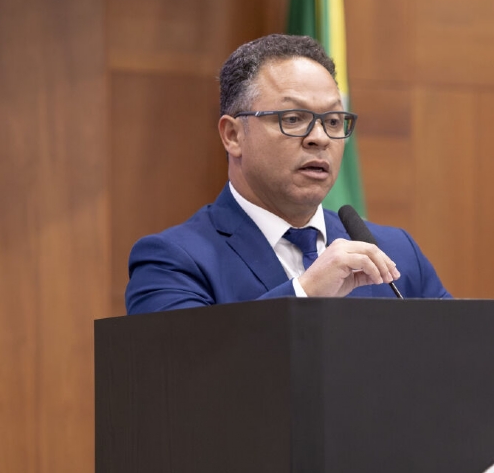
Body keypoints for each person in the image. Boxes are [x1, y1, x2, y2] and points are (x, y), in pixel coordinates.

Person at [125, 34, 450, 314]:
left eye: (333, 121)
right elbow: (188, 364)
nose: (319, 138)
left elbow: (460, 355)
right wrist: (305, 293)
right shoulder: (172, 261)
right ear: (233, 136)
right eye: (293, 119)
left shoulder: (396, 252)